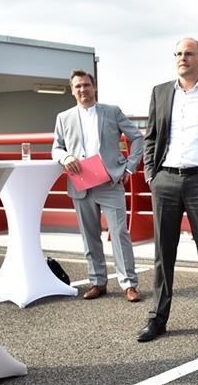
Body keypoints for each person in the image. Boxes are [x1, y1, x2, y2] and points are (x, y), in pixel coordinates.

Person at [136, 37, 198, 344]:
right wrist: (151, 173)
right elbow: (151, 137)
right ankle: (157, 318)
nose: (183, 58)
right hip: (165, 181)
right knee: (162, 253)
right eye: (179, 54)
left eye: (189, 54)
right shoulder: (161, 92)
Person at [52, 70, 143, 302]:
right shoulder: (64, 117)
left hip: (110, 182)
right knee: (89, 235)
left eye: (86, 85)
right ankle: (97, 282)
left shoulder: (111, 112)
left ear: (94, 87)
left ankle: (129, 284)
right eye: (78, 86)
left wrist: (129, 167)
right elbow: (57, 147)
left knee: (120, 233)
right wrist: (65, 158)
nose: (83, 90)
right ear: (72, 91)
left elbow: (138, 137)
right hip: (81, 183)